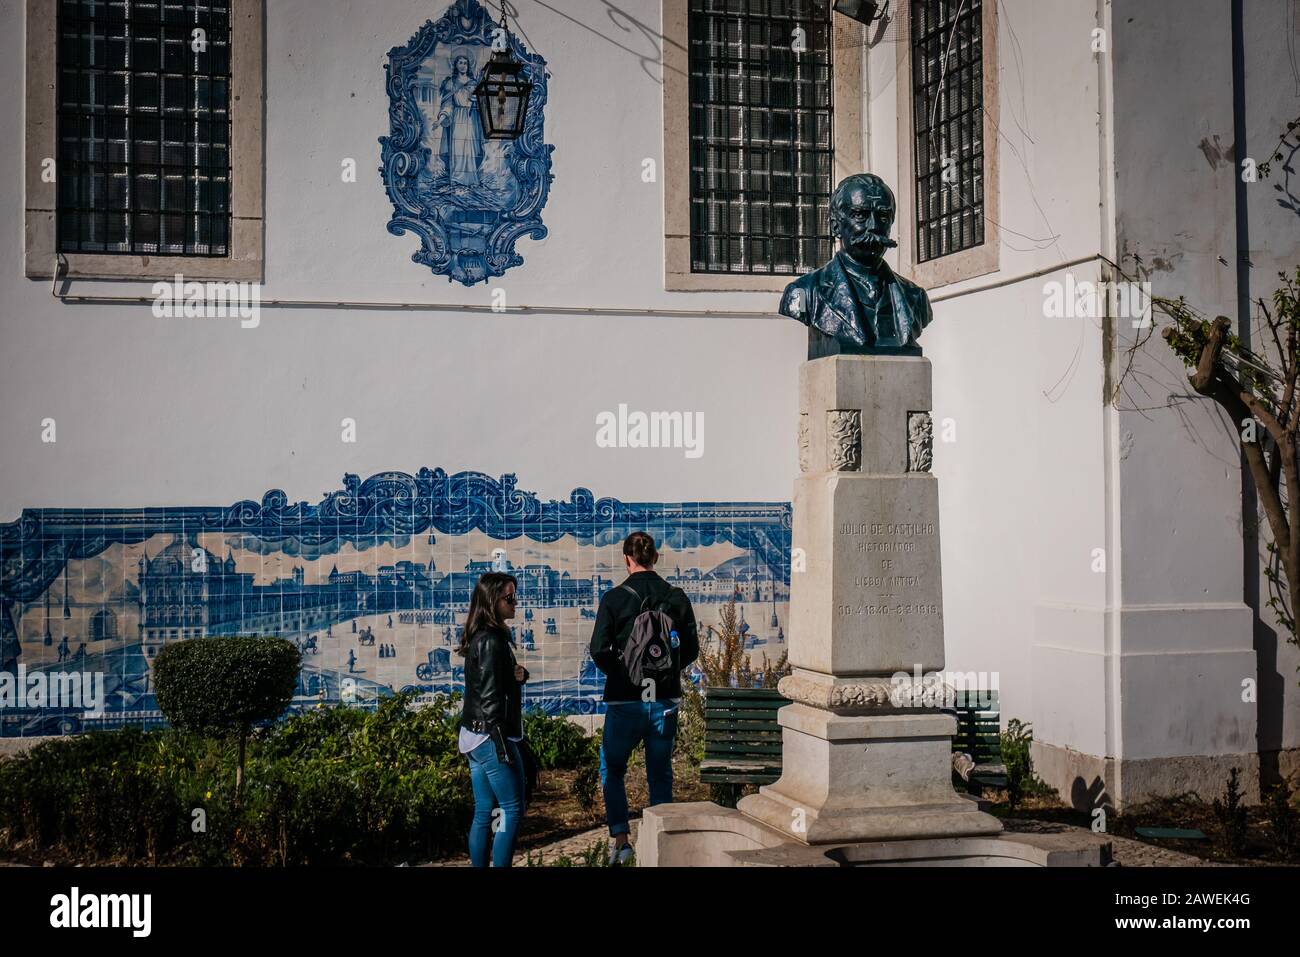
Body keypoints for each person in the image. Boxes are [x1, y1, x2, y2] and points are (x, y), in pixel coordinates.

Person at [589, 531, 699, 866]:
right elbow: (691, 649)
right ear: (655, 558)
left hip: (625, 701)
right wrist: (663, 670)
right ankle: (661, 841)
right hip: (663, 700)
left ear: (627, 558)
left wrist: (625, 674)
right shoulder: (676, 597)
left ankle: (621, 842)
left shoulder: (614, 599)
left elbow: (598, 649)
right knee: (660, 772)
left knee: (613, 768)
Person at [458, 572, 529, 867]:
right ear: (493, 601)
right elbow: (489, 700)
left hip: (476, 734)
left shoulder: (488, 638)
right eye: (509, 598)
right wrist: (502, 746)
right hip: (489, 735)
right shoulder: (489, 641)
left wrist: (518, 676)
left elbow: (492, 685)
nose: (515, 602)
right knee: (512, 809)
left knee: (484, 810)